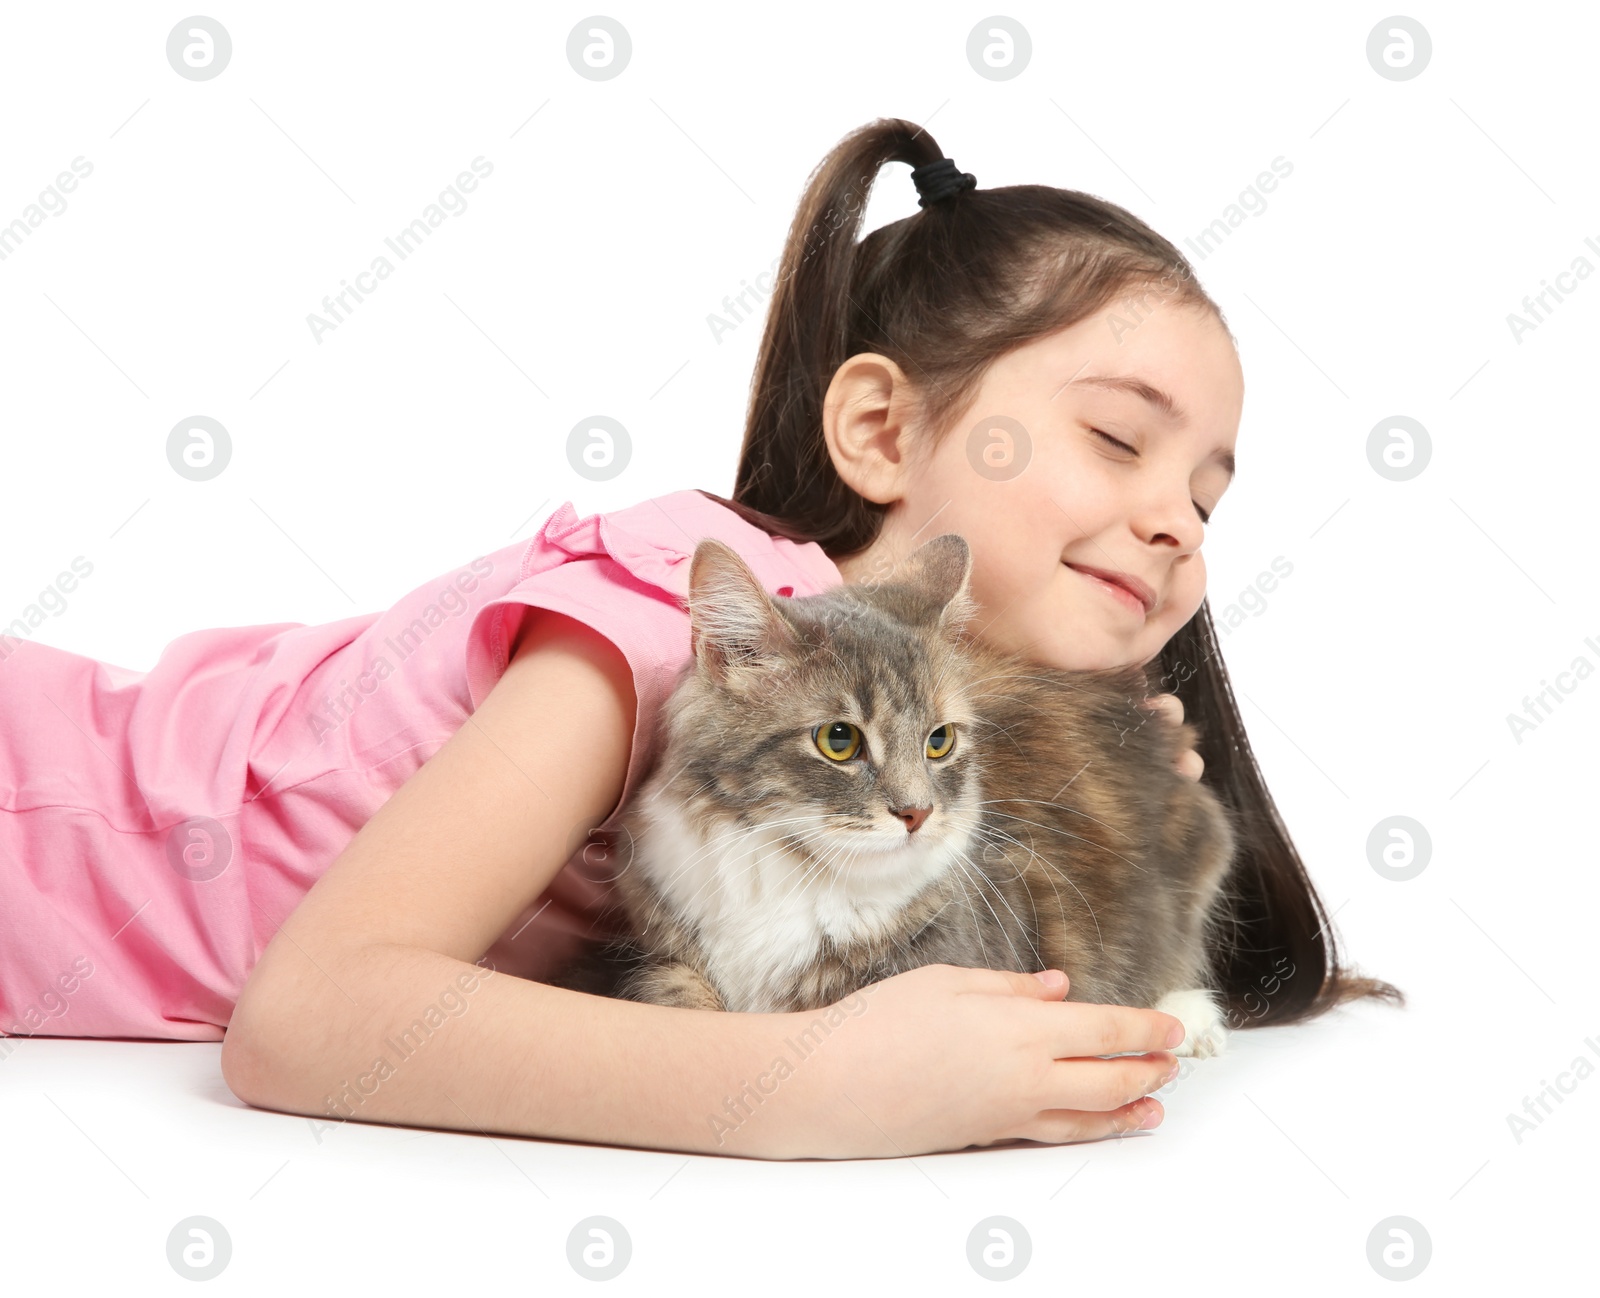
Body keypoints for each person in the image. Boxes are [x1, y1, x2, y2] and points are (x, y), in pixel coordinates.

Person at [0, 117, 1398, 1160]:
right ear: (879, 427)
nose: (1177, 524)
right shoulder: (665, 625)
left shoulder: (905, 730)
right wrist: (817, 1085)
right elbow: (305, 1020)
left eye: (1210, 496)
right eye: (1118, 438)